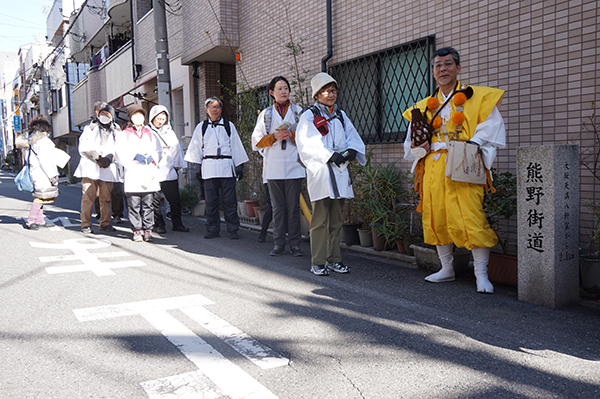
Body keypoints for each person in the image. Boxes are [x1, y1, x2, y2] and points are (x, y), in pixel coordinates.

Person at [403, 47, 506, 294]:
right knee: (437, 215)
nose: (443, 69)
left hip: (464, 163)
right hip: (434, 166)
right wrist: (420, 147)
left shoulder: (476, 97)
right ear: (433, 72)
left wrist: (473, 144)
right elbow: (410, 142)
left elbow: (491, 127)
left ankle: (481, 274)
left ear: (458, 68)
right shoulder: (423, 106)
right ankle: (446, 268)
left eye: (448, 64)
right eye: (438, 66)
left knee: (472, 216)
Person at [296, 72, 366, 276]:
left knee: (336, 220)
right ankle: (318, 261)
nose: (330, 94)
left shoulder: (341, 115)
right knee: (319, 220)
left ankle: (335, 259)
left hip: (340, 172)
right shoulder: (309, 116)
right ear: (317, 95)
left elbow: (353, 137)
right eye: (326, 91)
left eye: (333, 90)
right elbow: (305, 143)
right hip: (322, 174)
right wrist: (329, 156)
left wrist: (352, 151)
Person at [252, 76, 305, 256]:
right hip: (273, 167)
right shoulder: (266, 114)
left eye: (286, 88)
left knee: (293, 209)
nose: (283, 91)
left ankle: (295, 244)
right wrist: (274, 137)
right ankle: (279, 243)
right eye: (280, 88)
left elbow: (308, 139)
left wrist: (292, 135)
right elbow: (256, 142)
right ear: (272, 93)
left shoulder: (299, 112)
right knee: (278, 208)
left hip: (294, 166)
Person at [184, 97, 249, 239]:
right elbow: (196, 149)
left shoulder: (228, 125)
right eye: (211, 106)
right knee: (211, 201)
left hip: (226, 166)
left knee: (229, 200)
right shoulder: (201, 127)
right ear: (207, 110)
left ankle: (233, 229)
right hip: (209, 167)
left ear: (221, 109)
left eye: (218, 106)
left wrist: (239, 166)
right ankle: (212, 229)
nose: (215, 109)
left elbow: (236, 146)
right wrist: (197, 168)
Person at [115, 104, 162, 242]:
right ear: (130, 118)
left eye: (141, 115)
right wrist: (134, 157)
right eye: (135, 115)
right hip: (133, 172)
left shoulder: (151, 133)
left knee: (148, 204)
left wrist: (153, 158)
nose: (138, 118)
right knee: (134, 204)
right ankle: (136, 230)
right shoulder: (124, 134)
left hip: (148, 172)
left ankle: (148, 229)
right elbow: (119, 152)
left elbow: (159, 150)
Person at [74, 103, 121, 234]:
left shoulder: (116, 129)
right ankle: (86, 223)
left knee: (106, 198)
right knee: (88, 196)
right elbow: (83, 146)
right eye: (102, 114)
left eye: (107, 114)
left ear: (112, 117)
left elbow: (121, 147)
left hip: (108, 167)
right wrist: (98, 158)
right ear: (98, 115)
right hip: (91, 167)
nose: (105, 117)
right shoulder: (90, 128)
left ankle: (105, 222)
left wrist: (110, 158)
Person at [16, 115, 69, 230]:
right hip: (42, 174)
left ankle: (40, 220)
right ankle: (30, 220)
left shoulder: (29, 140)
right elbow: (46, 161)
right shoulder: (43, 141)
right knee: (40, 198)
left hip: (34, 171)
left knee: (40, 196)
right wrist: (53, 176)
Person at [147, 105, 190, 233]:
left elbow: (176, 150)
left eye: (163, 118)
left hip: (167, 170)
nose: (160, 121)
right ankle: (159, 224)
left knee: (174, 199)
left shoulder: (169, 132)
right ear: (152, 118)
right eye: (158, 118)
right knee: (154, 200)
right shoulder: (146, 131)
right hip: (151, 170)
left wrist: (176, 166)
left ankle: (177, 223)